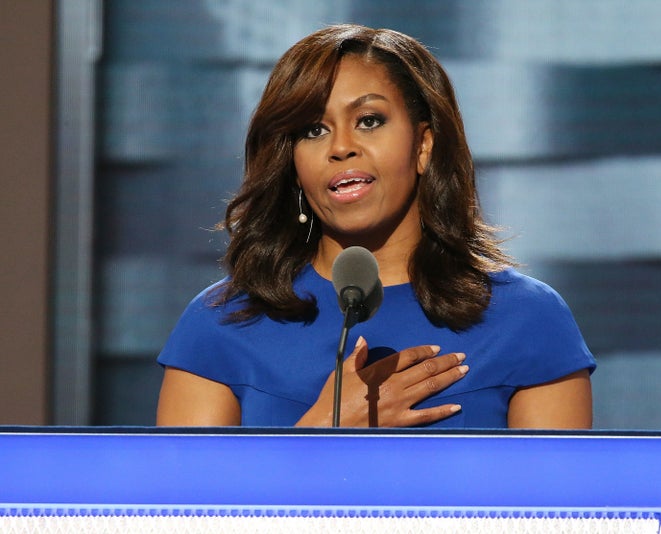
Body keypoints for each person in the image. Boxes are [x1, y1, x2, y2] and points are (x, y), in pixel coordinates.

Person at [156, 24, 595, 429]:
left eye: (369, 121)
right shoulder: (222, 323)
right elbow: (186, 510)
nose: (341, 147)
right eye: (313, 130)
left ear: (423, 145)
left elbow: (562, 511)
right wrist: (320, 434)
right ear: (291, 163)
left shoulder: (526, 319)